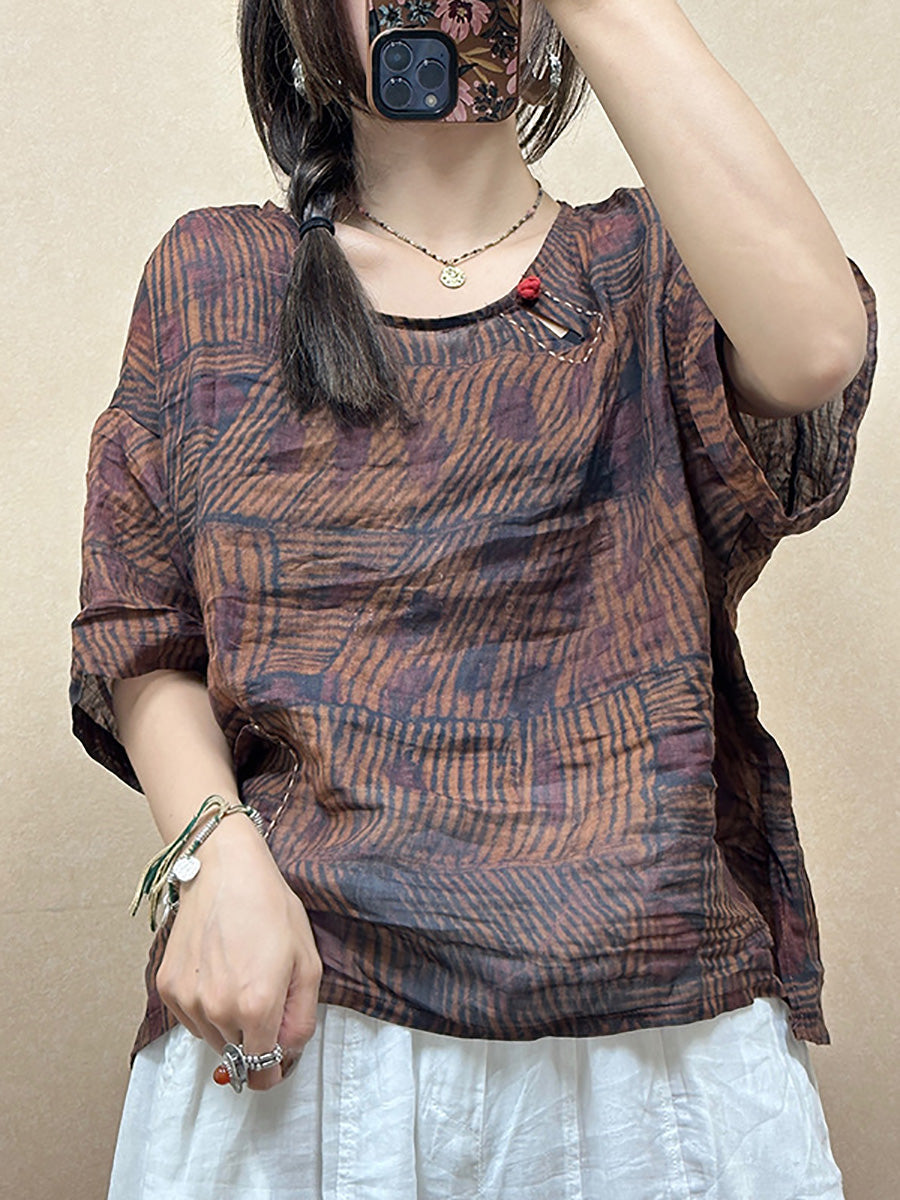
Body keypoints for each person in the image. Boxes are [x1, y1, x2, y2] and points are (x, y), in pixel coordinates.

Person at [70, 0, 877, 1195]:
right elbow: (141, 629)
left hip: (655, 1041)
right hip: (307, 1017)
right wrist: (212, 853)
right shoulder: (217, 276)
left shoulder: (652, 267)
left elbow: (816, 349)